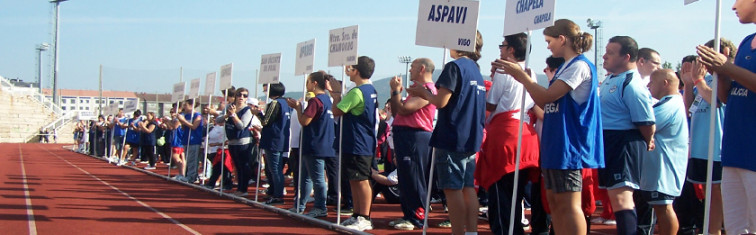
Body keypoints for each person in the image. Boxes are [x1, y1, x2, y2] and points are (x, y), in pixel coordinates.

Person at [493, 19, 603, 235]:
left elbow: (546, 97)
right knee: (555, 203)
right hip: (556, 143)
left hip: (569, 144)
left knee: (569, 204)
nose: (548, 46)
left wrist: (522, 76)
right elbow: (545, 101)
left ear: (562, 39)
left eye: (550, 41)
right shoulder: (565, 67)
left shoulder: (579, 66)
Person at [409, 30, 485, 235]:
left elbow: (441, 101)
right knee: (468, 188)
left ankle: (458, 232)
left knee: (453, 189)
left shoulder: (454, 67)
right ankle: (471, 232)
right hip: (470, 136)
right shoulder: (476, 70)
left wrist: (421, 92)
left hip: (452, 135)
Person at [696, 1, 756, 233]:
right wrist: (719, 71)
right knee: (735, 227)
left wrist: (727, 67)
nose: (733, 6)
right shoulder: (745, 43)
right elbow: (727, 97)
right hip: (733, 151)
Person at [478, 32, 540, 235]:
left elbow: (491, 103)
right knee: (515, 195)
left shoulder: (505, 72)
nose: (500, 50)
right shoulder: (531, 72)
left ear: (511, 49)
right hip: (525, 135)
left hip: (506, 136)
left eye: (502, 46)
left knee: (500, 198)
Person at [600, 35, 657, 235]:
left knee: (622, 198)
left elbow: (647, 122)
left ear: (627, 57)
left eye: (610, 53)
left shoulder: (632, 84)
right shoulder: (610, 79)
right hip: (609, 142)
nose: (604, 56)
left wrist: (648, 139)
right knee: (615, 198)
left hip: (624, 144)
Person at [681, 38, 736, 235]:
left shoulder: (724, 77)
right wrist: (689, 84)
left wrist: (698, 81)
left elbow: (717, 100)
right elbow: (689, 109)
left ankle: (715, 231)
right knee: (708, 194)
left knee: (719, 194)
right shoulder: (702, 80)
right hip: (700, 146)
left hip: (717, 147)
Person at [328, 56, 379, 231]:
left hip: (358, 142)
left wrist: (335, 94)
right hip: (359, 141)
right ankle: (357, 214)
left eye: (350, 68)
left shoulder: (357, 92)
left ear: (356, 71)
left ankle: (364, 216)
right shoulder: (369, 89)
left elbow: (336, 110)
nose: (347, 70)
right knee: (354, 179)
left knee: (362, 180)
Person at [385, 58, 437, 230]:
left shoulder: (428, 90)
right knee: (406, 177)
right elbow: (398, 108)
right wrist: (396, 93)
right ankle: (409, 214)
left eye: (412, 68)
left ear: (422, 69)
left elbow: (404, 109)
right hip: (406, 136)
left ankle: (418, 217)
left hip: (416, 136)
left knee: (414, 177)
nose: (410, 71)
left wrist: (395, 91)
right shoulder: (417, 91)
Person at [642, 69, 690, 235]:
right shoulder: (670, 103)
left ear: (665, 83)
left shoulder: (670, 104)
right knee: (661, 207)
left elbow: (648, 123)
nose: (649, 86)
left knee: (664, 207)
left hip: (664, 168)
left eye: (652, 82)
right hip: (661, 167)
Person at [286, 71, 337, 218]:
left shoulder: (316, 101)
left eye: (308, 81)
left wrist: (298, 108)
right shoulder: (327, 100)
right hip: (321, 143)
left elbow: (304, 121)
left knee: (316, 178)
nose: (306, 84)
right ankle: (299, 206)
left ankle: (320, 206)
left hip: (314, 144)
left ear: (314, 83)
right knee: (306, 177)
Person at [259, 83, 291, 205]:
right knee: (275, 168)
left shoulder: (275, 103)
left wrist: (258, 113)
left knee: (275, 169)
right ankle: (274, 192)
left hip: (273, 139)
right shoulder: (286, 103)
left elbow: (265, 121)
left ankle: (278, 195)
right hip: (281, 138)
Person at [224, 87, 255, 197]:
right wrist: (227, 115)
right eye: (239, 94)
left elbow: (242, 126)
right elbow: (218, 120)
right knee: (237, 165)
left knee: (244, 165)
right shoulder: (230, 107)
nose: (241, 97)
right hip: (232, 141)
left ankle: (243, 189)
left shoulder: (247, 110)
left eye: (244, 95)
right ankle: (239, 188)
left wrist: (233, 115)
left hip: (243, 141)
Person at [177, 99, 204, 183]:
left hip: (194, 140)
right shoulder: (187, 115)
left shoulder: (197, 115)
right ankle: (188, 175)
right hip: (186, 139)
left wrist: (183, 120)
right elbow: (184, 127)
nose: (184, 107)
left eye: (185, 105)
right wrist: (181, 122)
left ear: (191, 105)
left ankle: (192, 177)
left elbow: (194, 126)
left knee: (193, 159)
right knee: (188, 159)